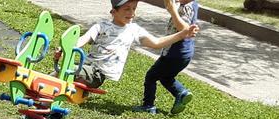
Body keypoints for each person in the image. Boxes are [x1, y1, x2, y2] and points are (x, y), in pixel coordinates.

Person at [63, 0, 198, 91]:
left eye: (134, 8)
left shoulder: (134, 30)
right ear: (113, 12)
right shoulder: (101, 26)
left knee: (65, 75)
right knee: (62, 71)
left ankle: (55, 104)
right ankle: (55, 109)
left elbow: (156, 43)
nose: (131, 13)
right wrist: (66, 49)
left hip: (98, 73)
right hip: (86, 66)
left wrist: (181, 34)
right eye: (127, 9)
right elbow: (83, 39)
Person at [135, 0, 199, 115]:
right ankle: (182, 93)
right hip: (184, 53)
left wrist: (173, 11)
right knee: (166, 77)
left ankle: (148, 105)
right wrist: (171, 6)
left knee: (151, 76)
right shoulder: (191, 4)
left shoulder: (186, 8)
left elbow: (184, 29)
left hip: (174, 53)